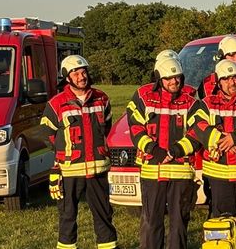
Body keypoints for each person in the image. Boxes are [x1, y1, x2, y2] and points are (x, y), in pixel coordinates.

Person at [40, 55, 117, 249]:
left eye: (83, 72)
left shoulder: (101, 98)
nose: (82, 77)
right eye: (76, 74)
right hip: (70, 171)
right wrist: (63, 155)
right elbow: (47, 135)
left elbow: (107, 127)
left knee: (104, 215)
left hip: (98, 168)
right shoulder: (56, 104)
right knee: (67, 216)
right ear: (67, 77)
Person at [127, 57, 201, 249]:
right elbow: (135, 129)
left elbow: (197, 133)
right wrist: (154, 150)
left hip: (181, 172)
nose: (174, 81)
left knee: (179, 224)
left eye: (177, 77)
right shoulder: (144, 98)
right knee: (151, 222)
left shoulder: (191, 102)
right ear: (159, 79)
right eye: (168, 78)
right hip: (153, 171)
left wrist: (176, 150)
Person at [192, 59, 236, 249]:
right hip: (219, 175)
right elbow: (198, 126)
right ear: (218, 82)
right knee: (222, 225)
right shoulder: (207, 104)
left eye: (235, 78)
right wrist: (222, 140)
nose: (232, 83)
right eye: (226, 79)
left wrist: (235, 137)